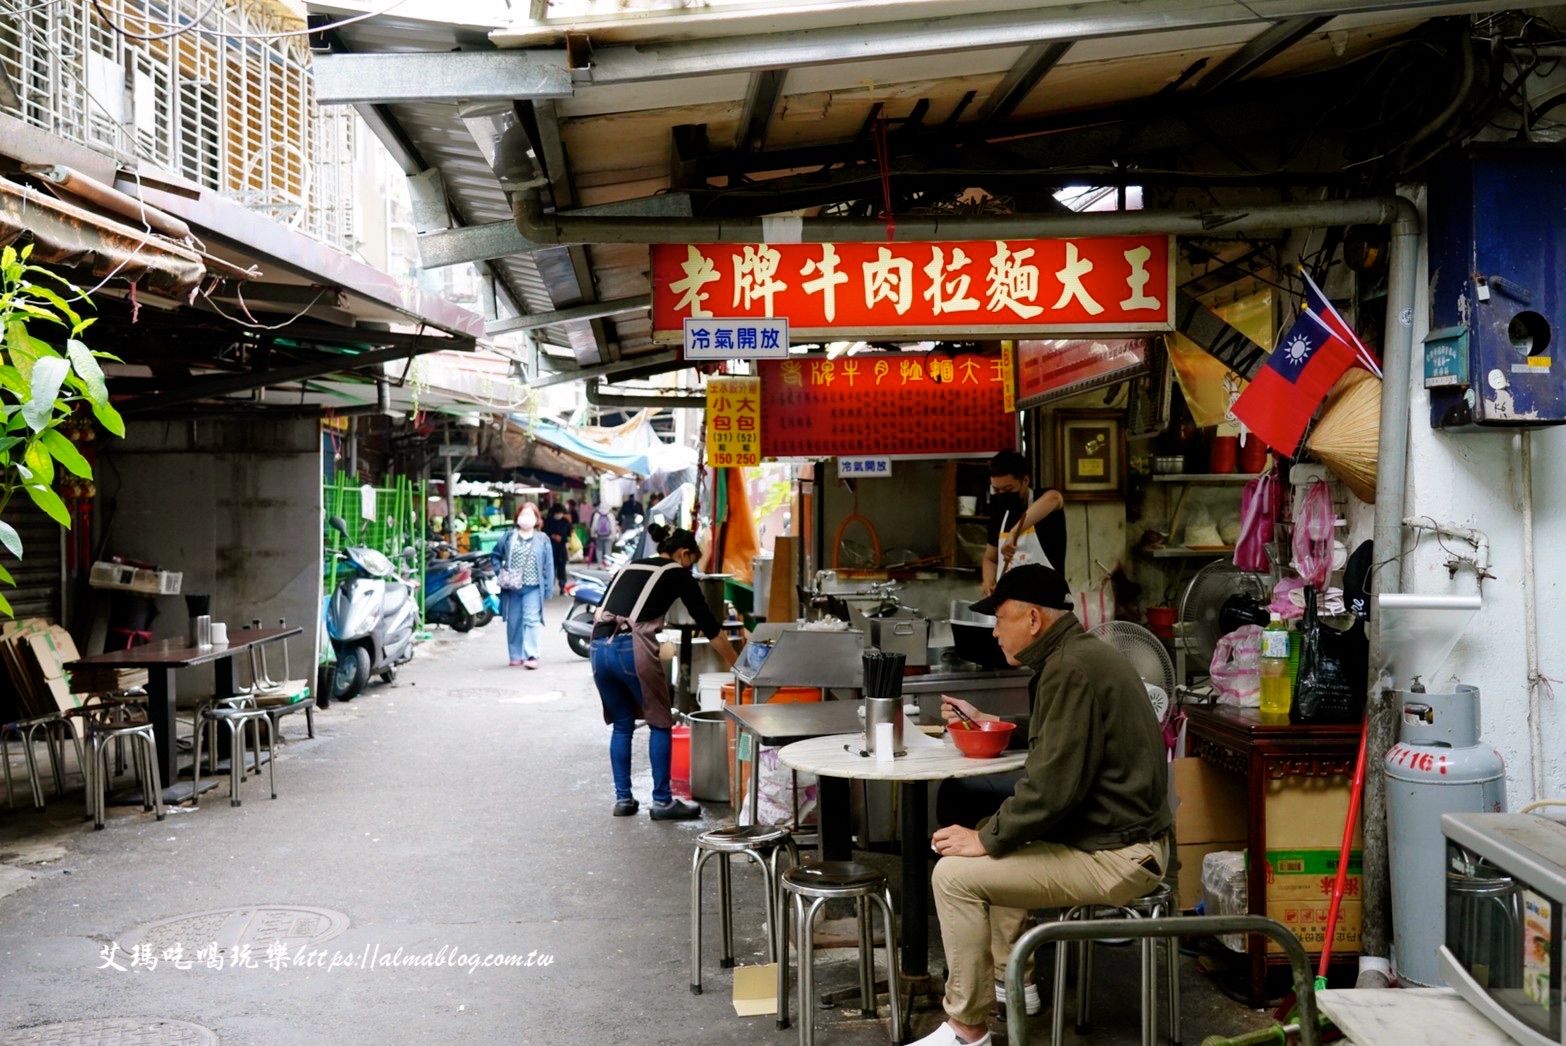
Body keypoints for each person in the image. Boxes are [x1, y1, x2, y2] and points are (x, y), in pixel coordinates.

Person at [914, 564, 1171, 1046]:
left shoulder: (1070, 669)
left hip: (1117, 855)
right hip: (1115, 839)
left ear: (1032, 619)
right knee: (996, 837)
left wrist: (985, 837)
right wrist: (991, 721)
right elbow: (1061, 744)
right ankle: (1015, 980)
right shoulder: (1079, 656)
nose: (994, 632)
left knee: (953, 875)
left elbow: (1052, 789)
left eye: (1000, 618)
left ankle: (967, 1030)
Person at [589, 524, 738, 820]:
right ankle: (662, 801)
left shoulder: (630, 566)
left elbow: (603, 609)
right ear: (684, 554)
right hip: (631, 650)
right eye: (692, 561)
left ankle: (623, 800)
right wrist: (738, 664)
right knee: (660, 722)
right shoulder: (677, 572)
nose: (691, 568)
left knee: (622, 724)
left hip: (598, 648)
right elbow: (709, 626)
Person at [981, 450, 1066, 598]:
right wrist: (988, 581)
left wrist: (1014, 532)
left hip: (1047, 601)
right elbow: (990, 559)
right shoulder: (999, 514)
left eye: (1008, 489)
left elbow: (1055, 498)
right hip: (1011, 604)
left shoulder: (1042, 502)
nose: (1002, 494)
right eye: (996, 490)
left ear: (1025, 480)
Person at [491, 503, 553, 668]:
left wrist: (548, 589)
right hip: (512, 587)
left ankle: (532, 655)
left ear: (536, 518)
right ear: (517, 517)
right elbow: (495, 556)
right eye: (523, 514)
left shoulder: (542, 539)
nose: (525, 518)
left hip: (533, 587)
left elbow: (549, 564)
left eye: (530, 515)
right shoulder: (509, 537)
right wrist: (500, 572)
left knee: (531, 620)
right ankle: (515, 655)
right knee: (514, 621)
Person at [543, 502, 573, 595]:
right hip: (550, 548)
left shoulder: (565, 521)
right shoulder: (548, 521)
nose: (559, 515)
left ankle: (562, 586)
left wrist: (561, 537)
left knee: (561, 568)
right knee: (551, 568)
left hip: (561, 549)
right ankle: (549, 586)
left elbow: (569, 534)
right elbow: (544, 533)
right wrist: (552, 536)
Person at [588, 502, 617, 566]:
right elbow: (613, 526)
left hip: (599, 535)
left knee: (599, 550)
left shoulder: (597, 515)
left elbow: (594, 525)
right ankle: (607, 564)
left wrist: (592, 534)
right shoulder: (610, 515)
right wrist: (613, 536)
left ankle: (599, 564)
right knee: (608, 550)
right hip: (609, 536)